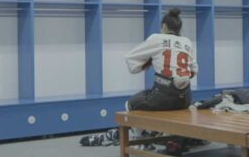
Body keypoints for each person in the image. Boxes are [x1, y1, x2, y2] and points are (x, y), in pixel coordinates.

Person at [79, 8, 197, 147]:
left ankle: (139, 140)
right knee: (153, 99)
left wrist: (145, 64)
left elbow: (130, 58)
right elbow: (193, 71)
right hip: (186, 99)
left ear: (164, 26)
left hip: (164, 97)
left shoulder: (156, 38)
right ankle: (146, 136)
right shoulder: (187, 42)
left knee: (130, 105)